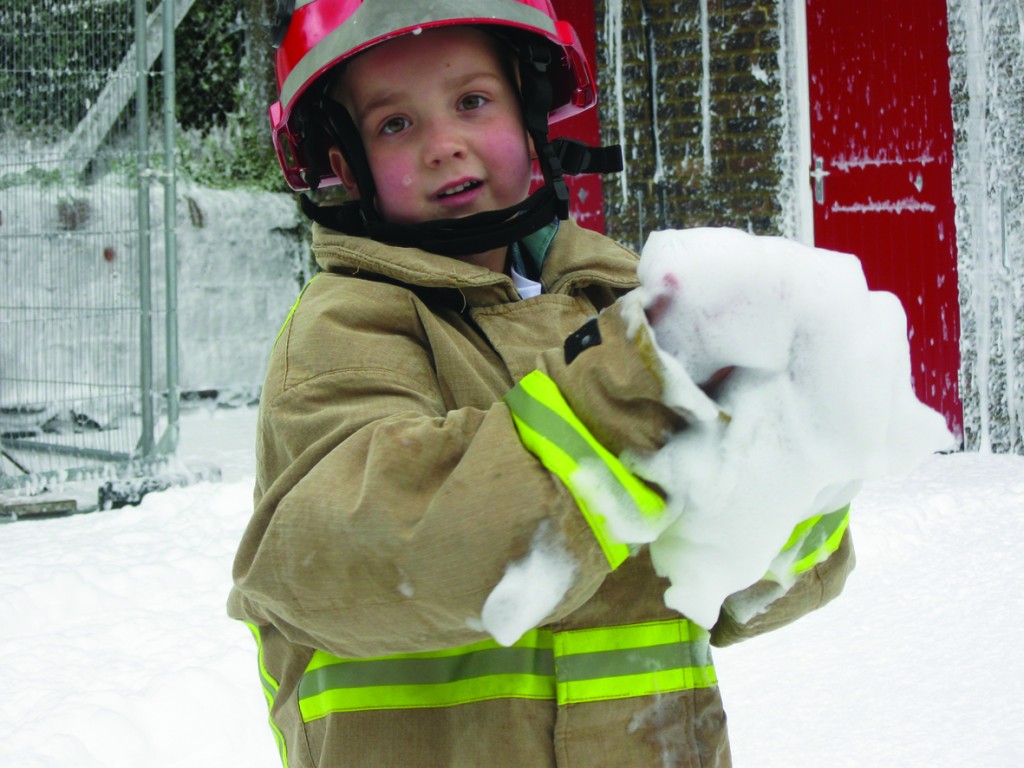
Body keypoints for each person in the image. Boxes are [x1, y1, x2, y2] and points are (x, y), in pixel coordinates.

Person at [227, 2, 855, 766]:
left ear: (531, 116)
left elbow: (747, 593)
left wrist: (791, 443)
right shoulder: (345, 330)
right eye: (395, 124)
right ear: (345, 162)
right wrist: (629, 394)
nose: (443, 145)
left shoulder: (618, 299)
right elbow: (393, 552)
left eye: (472, 101)